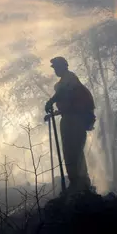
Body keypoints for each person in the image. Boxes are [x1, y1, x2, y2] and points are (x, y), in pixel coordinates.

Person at [44, 56, 95, 193]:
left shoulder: (70, 78)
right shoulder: (62, 83)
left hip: (76, 121)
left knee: (75, 152)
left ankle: (82, 184)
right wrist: (51, 114)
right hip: (68, 119)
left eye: (57, 67)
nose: (55, 70)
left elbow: (63, 93)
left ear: (64, 66)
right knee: (68, 152)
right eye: (54, 68)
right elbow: (66, 107)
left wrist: (51, 101)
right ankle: (75, 183)